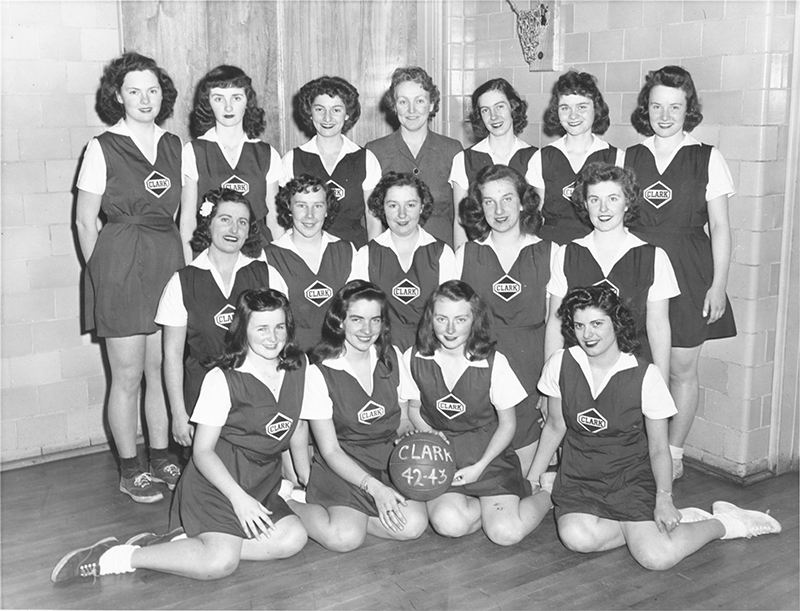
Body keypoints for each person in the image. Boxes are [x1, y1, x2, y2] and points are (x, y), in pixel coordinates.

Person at [51, 289, 322, 582]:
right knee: (220, 563)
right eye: (262, 328)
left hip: (261, 482)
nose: (272, 337)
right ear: (243, 329)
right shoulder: (222, 378)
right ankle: (116, 556)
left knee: (293, 537)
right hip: (216, 484)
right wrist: (239, 499)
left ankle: (184, 545)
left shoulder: (299, 366)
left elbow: (296, 425)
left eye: (279, 326)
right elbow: (202, 452)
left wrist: (301, 477)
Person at [528, 286, 780, 571]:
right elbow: (555, 425)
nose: (588, 334)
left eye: (597, 324)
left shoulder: (645, 375)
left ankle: (726, 522)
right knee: (576, 537)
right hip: (579, 477)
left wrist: (664, 498)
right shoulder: (560, 363)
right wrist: (533, 478)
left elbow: (659, 448)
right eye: (579, 325)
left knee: (656, 558)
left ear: (616, 323)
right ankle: (653, 528)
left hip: (629, 478)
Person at [76, 52, 183, 503]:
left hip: (166, 261)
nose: (145, 99)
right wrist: (104, 276)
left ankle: (160, 458)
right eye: (134, 91)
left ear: (162, 95)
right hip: (120, 262)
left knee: (159, 370)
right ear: (118, 96)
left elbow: (178, 215)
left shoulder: (176, 145)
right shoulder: (102, 146)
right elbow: (85, 222)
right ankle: (130, 468)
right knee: (127, 375)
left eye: (152, 90)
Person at [625, 66, 737, 479]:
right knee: (637, 366)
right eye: (657, 106)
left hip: (690, 271)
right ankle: (636, 451)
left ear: (689, 109)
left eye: (675, 107)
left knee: (681, 369)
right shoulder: (628, 156)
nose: (665, 115)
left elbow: (721, 227)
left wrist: (718, 285)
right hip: (639, 270)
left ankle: (673, 453)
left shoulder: (707, 156)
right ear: (647, 108)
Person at [405, 281, 552, 545]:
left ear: (474, 320)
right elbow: (414, 409)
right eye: (441, 319)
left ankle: (546, 492)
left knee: (505, 533)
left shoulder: (494, 362)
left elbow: (507, 425)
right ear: (430, 318)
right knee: (449, 524)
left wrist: (480, 466)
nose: (450, 329)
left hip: (488, 456)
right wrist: (431, 435)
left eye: (460, 319)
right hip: (444, 456)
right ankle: (492, 509)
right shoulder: (414, 357)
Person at [290, 280, 428, 552]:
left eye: (375, 320)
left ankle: (356, 516)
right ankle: (289, 502)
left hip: (386, 462)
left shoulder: (391, 357)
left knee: (413, 526)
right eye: (357, 319)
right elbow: (330, 450)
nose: (367, 330)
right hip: (342, 464)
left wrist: (408, 435)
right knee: (344, 539)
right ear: (339, 321)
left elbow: (402, 420)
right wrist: (375, 489)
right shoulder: (319, 371)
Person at [156, 188, 288, 446]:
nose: (234, 229)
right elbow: (172, 356)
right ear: (209, 223)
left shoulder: (266, 274)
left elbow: (282, 340)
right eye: (225, 219)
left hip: (255, 398)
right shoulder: (182, 281)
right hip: (202, 397)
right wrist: (179, 414)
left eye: (242, 222)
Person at [457, 164, 553, 480]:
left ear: (523, 202)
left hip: (531, 365)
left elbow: (556, 325)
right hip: (483, 364)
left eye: (507, 199)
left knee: (523, 478)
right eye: (489, 201)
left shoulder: (550, 252)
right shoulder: (465, 254)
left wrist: (550, 386)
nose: (499, 210)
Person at [545, 163, 679, 381]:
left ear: (627, 202)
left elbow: (658, 327)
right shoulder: (567, 254)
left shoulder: (654, 257)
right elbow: (555, 321)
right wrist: (550, 379)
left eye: (613, 199)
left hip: (632, 370)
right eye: (594, 200)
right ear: (585, 204)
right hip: (579, 370)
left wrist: (661, 383)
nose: (603, 209)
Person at [180, 65, 284, 261]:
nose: (228, 107)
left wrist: (279, 265)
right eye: (219, 98)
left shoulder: (267, 153)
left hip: (257, 253)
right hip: (210, 253)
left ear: (247, 101)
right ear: (208, 102)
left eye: (236, 98)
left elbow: (275, 221)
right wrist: (190, 267)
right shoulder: (194, 151)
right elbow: (187, 219)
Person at [353, 172, 456, 351]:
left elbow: (449, 313)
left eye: (410, 205)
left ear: (422, 207)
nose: (402, 214)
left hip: (430, 349)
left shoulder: (441, 253)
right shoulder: (366, 255)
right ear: (382, 207)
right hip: (382, 351)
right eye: (393, 205)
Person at [366, 66, 462, 246]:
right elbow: (373, 221)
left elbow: (460, 217)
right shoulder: (375, 151)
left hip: (442, 253)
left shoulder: (452, 150)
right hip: (393, 254)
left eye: (419, 101)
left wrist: (458, 258)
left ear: (431, 105)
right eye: (403, 102)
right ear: (394, 106)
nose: (411, 110)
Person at [282, 76, 381, 248]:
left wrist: (373, 258)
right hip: (306, 252)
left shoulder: (365, 159)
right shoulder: (292, 159)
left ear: (347, 114)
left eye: (336, 110)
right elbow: (283, 219)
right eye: (319, 109)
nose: (327, 118)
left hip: (354, 252)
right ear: (310, 113)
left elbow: (373, 220)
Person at [526, 70, 623, 246]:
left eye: (582, 107)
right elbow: (535, 215)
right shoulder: (542, 158)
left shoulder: (616, 157)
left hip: (598, 245)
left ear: (596, 108)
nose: (573, 115)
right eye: (565, 108)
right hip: (552, 246)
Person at [265, 174, 359, 351]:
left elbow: (357, 313)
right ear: (289, 208)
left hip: (339, 353)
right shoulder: (270, 256)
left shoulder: (346, 251)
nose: (310, 215)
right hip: (292, 355)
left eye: (318, 206)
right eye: (301, 206)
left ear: (327, 209)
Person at [449, 78, 536, 248]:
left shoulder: (534, 156)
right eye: (485, 110)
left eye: (500, 107)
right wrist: (462, 258)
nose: (494, 116)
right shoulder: (464, 159)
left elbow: (535, 217)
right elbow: (460, 221)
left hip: (523, 251)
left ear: (513, 107)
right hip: (480, 252)